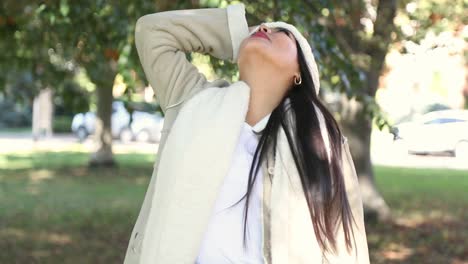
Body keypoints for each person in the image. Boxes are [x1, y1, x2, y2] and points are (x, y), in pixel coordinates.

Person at [124, 3, 370, 264]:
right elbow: (152, 32)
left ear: (300, 73)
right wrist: (245, 36)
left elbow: (347, 247)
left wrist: (258, 41)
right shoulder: (192, 101)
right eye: (262, 28)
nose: (265, 28)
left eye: (282, 34)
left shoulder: (319, 142)